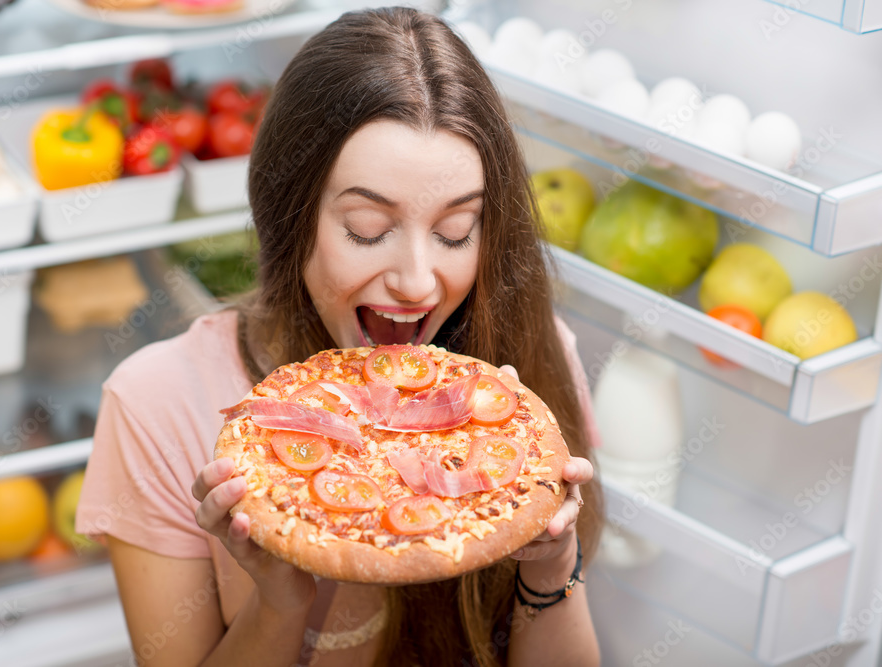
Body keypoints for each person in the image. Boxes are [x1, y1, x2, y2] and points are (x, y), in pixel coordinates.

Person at [76, 7, 603, 667]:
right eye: (366, 226)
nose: (417, 282)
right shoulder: (155, 402)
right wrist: (279, 603)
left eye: (455, 230)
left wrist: (551, 568)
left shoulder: (519, 387)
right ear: (287, 214)